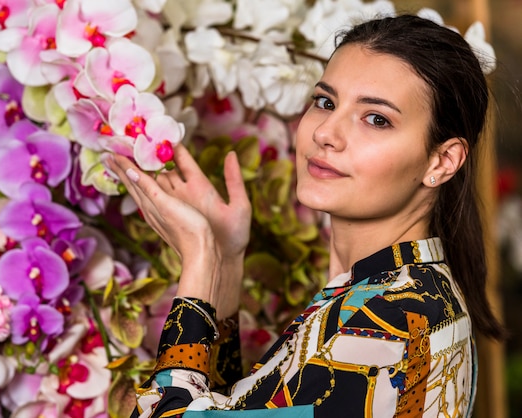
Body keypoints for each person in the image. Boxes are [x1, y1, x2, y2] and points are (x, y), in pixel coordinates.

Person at [108, 13, 505, 417]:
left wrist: (199, 259)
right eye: (325, 102)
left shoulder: (392, 320)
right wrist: (226, 263)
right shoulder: (390, 292)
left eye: (377, 119)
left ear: (442, 160)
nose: (325, 132)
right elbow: (241, 409)